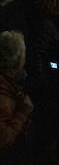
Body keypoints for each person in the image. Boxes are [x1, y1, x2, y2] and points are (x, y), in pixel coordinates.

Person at [0, 30, 32, 160]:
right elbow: (3, 139)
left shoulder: (11, 83)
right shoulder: (3, 97)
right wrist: (23, 112)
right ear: (18, 59)